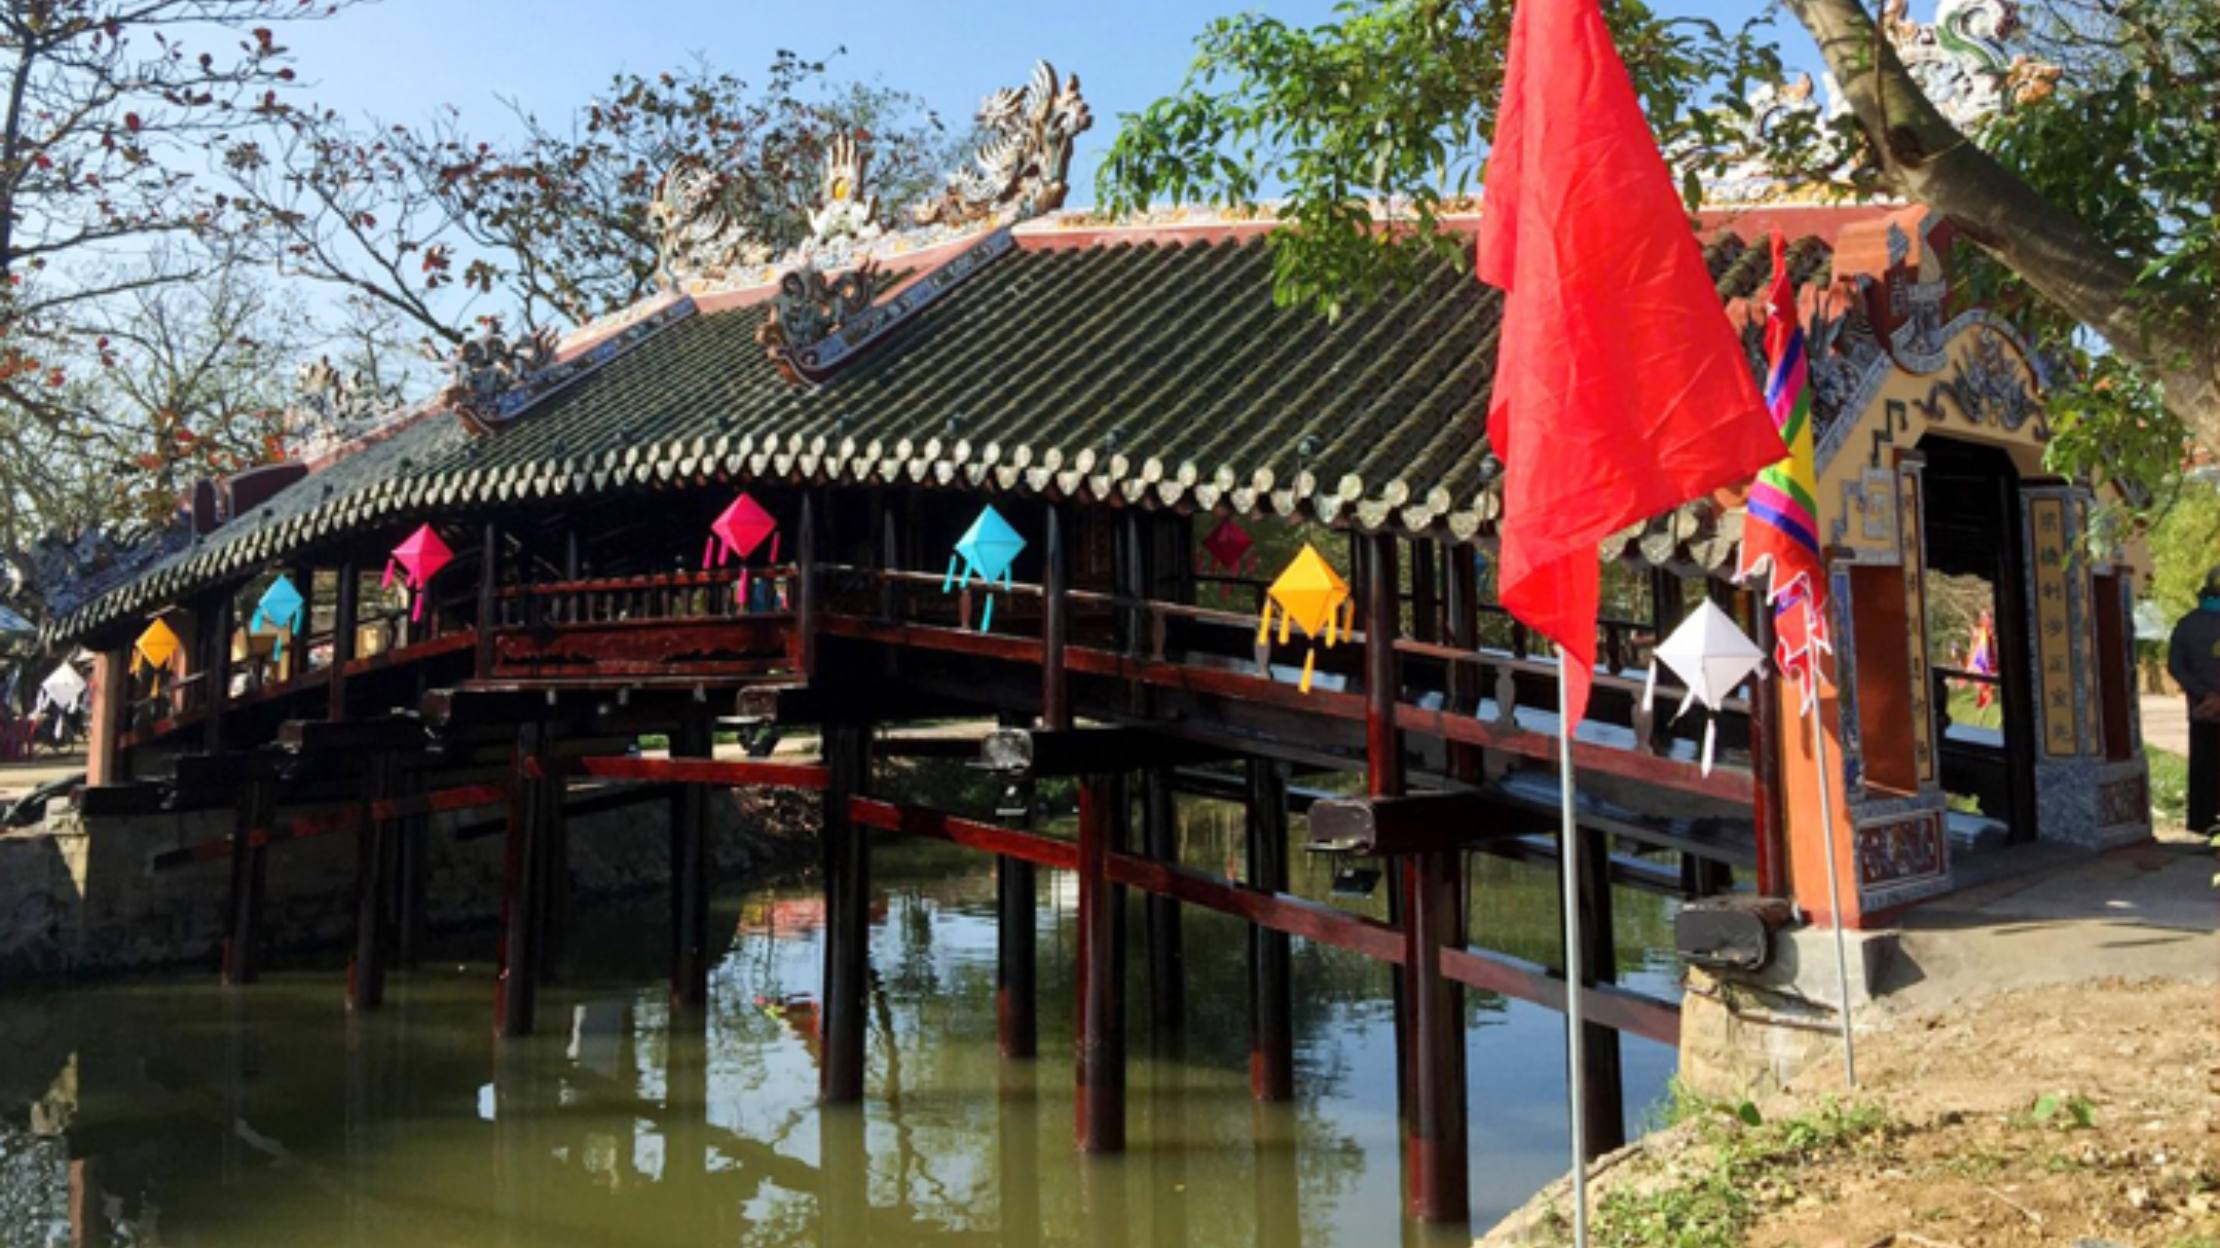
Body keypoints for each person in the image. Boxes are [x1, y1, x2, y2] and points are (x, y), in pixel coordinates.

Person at [2165, 566, 2220, 832]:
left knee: (2205, 765)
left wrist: (2204, 695)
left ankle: (2205, 823)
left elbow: (2176, 666)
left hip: (2202, 710)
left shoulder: (2187, 625)